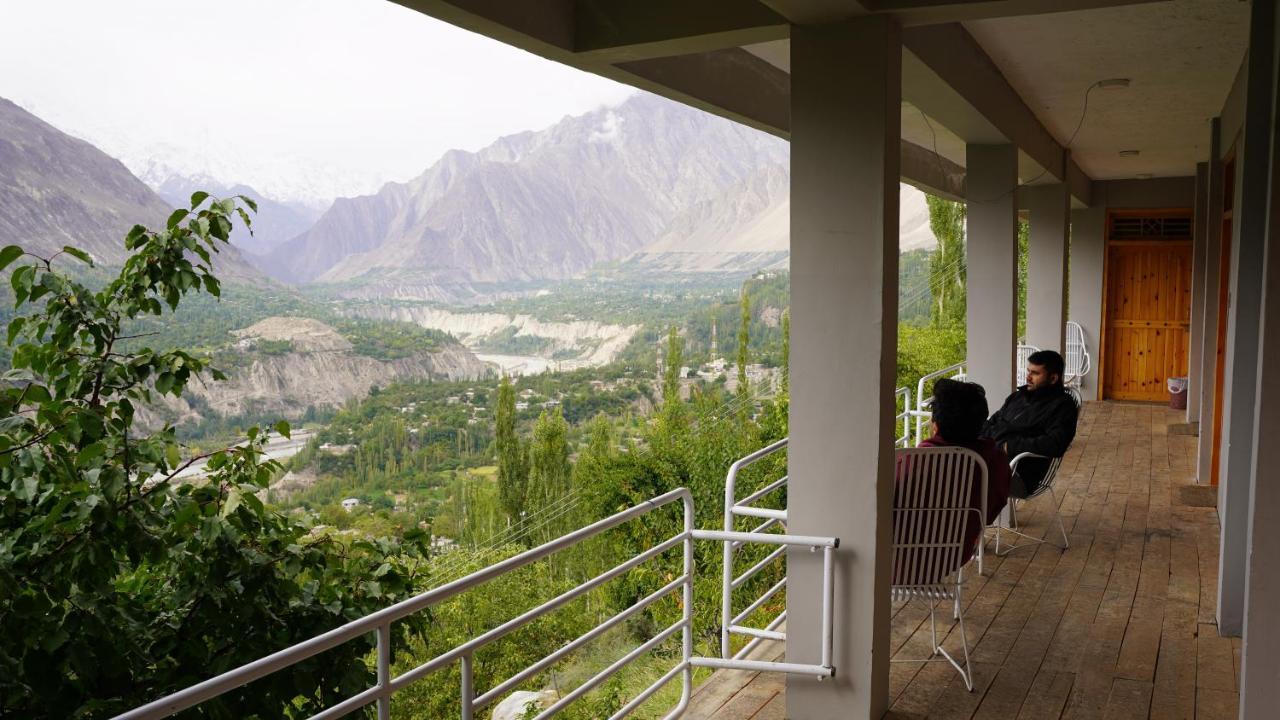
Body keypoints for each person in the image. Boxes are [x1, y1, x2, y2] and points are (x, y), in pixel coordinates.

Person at [911, 378, 1011, 561]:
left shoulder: (914, 462)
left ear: (936, 426)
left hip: (903, 557)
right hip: (956, 553)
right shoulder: (994, 461)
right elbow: (990, 513)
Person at [982, 349, 1079, 499]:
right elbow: (991, 422)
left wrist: (1011, 446)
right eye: (1028, 371)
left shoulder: (1062, 407)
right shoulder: (1017, 397)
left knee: (955, 475)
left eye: (1035, 373)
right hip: (993, 460)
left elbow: (1055, 444)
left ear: (1053, 378)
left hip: (1019, 474)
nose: (1028, 377)